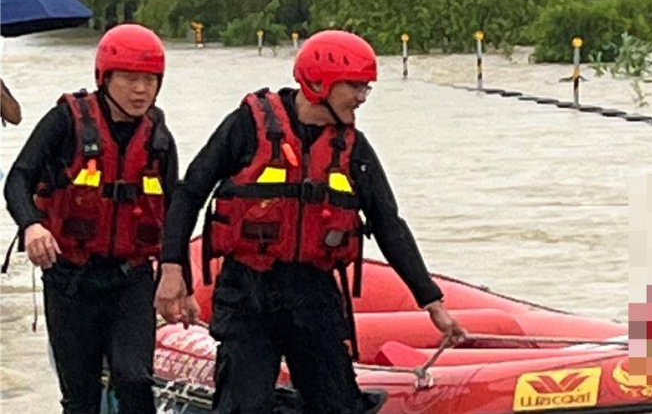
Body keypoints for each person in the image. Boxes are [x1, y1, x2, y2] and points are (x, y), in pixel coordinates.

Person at [154, 29, 466, 413]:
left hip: (313, 292)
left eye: (366, 88)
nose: (362, 98)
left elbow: (389, 224)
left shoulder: (353, 149)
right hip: (248, 292)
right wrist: (173, 268)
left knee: (337, 405)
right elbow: (191, 192)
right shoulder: (247, 127)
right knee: (244, 405)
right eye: (355, 87)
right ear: (319, 83)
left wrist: (431, 301)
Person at [3, 23, 179, 414]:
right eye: (131, 79)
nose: (141, 90)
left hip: (130, 279)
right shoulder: (65, 121)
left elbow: (174, 208)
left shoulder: (158, 136)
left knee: (134, 378)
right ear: (105, 77)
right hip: (70, 280)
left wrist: (174, 271)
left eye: (150, 80)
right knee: (80, 397)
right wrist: (32, 224)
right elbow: (17, 179)